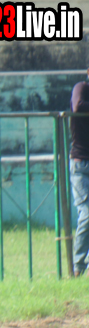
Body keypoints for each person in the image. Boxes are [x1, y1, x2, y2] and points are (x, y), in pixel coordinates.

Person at [70, 65, 89, 277]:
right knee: (87, 213)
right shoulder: (81, 87)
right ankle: (78, 266)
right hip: (81, 163)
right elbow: (77, 106)